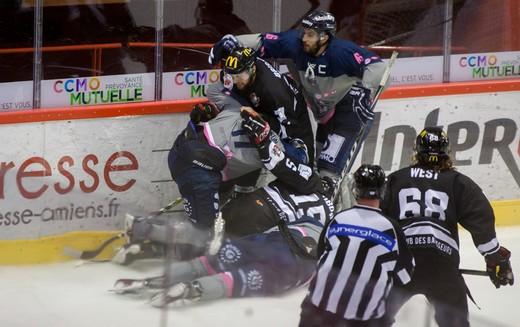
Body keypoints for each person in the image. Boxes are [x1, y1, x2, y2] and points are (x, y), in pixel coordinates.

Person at [209, 10, 388, 190]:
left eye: (310, 35)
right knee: (317, 168)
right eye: (304, 32)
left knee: (328, 173)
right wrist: (231, 41)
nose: (303, 38)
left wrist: (365, 94)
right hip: (324, 113)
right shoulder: (295, 44)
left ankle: (331, 209)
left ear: (324, 37)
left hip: (348, 111)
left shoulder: (341, 52)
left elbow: (377, 66)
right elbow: (262, 40)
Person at [111, 178, 335, 309]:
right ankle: (192, 289)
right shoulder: (331, 217)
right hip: (292, 263)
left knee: (208, 247)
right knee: (232, 279)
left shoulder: (297, 182)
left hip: (259, 217)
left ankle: (150, 238)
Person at [380, 127, 514, 327]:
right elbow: (481, 218)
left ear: (417, 150)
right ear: (446, 152)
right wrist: (495, 258)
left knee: (372, 318)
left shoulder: (396, 179)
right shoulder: (457, 182)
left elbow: (377, 218)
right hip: (441, 265)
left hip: (403, 263)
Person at [299, 164, 414, 327]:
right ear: (383, 191)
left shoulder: (337, 219)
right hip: (362, 320)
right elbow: (404, 276)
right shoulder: (392, 229)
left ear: (355, 189)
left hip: (316, 312)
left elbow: (320, 258)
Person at [222, 46, 316, 166]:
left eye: (239, 77)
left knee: (301, 161)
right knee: (216, 90)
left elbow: (287, 131)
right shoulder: (248, 68)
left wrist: (259, 119)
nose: (235, 82)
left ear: (252, 69)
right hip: (268, 106)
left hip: (292, 124)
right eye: (232, 77)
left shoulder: (275, 92)